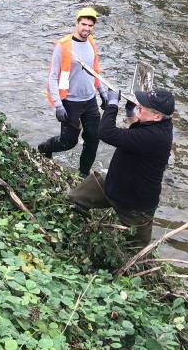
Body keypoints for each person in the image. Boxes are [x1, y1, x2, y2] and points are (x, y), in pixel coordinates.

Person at [68, 87, 174, 249]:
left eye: (142, 107)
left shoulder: (154, 137)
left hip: (135, 203)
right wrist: (132, 113)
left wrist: (112, 104)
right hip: (114, 185)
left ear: (157, 116)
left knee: (134, 248)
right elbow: (135, 127)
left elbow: (106, 132)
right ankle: (78, 223)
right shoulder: (155, 123)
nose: (139, 107)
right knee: (74, 199)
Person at [37, 7, 103, 178]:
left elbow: (95, 70)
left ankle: (82, 174)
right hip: (70, 101)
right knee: (68, 142)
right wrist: (58, 105)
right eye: (83, 24)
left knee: (93, 138)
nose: (86, 28)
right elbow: (53, 76)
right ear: (77, 23)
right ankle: (44, 148)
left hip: (89, 100)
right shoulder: (64, 45)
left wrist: (101, 91)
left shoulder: (91, 42)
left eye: (90, 25)